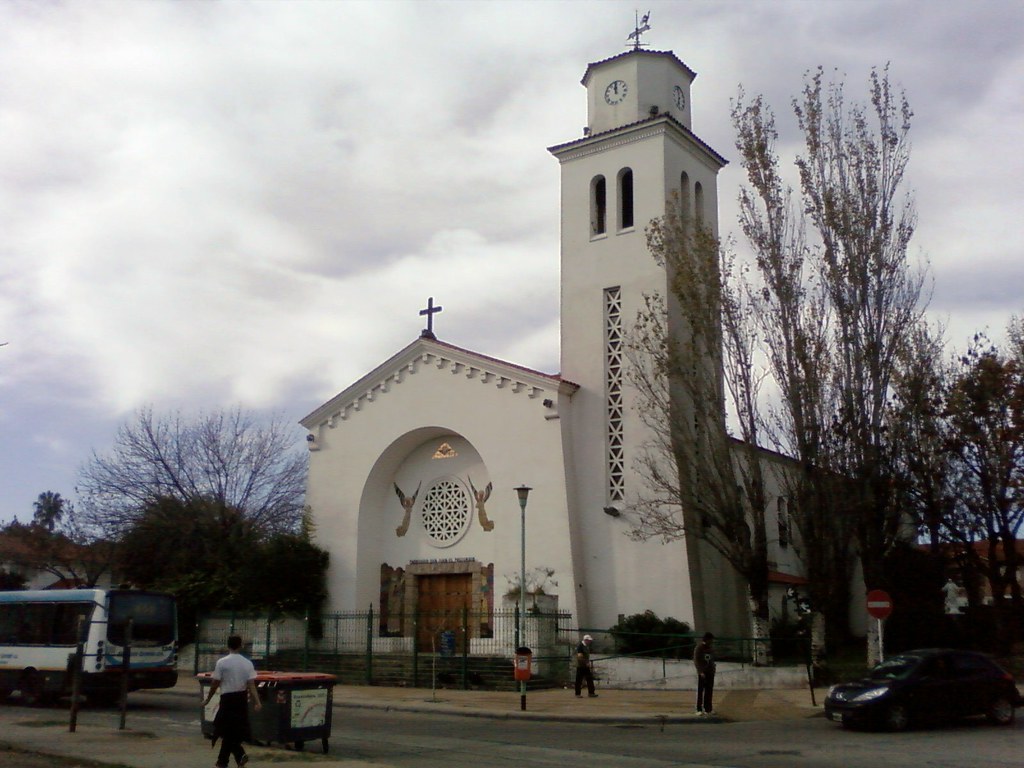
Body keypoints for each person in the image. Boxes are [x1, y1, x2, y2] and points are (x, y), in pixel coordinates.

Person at [203, 635, 262, 768]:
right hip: (241, 699)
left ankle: (230, 758)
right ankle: (228, 759)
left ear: (228, 645)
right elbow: (251, 684)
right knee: (235, 730)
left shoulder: (222, 662)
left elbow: (215, 683)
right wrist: (257, 701)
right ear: (240, 646)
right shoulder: (247, 663)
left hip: (227, 699)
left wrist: (208, 699)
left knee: (224, 729)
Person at [693, 631, 716, 715]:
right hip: (703, 672)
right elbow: (696, 660)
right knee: (700, 691)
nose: (712, 642)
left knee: (709, 691)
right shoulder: (699, 648)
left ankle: (708, 709)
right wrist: (700, 671)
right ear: (707, 639)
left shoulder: (711, 648)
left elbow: (712, 659)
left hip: (710, 672)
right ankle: (698, 709)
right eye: (711, 640)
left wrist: (713, 668)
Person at [574, 633, 597, 698]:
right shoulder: (580, 646)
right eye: (589, 640)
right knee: (579, 680)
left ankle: (591, 692)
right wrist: (586, 662)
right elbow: (580, 657)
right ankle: (577, 693)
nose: (590, 642)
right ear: (585, 640)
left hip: (585, 665)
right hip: (580, 665)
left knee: (589, 679)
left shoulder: (586, 646)